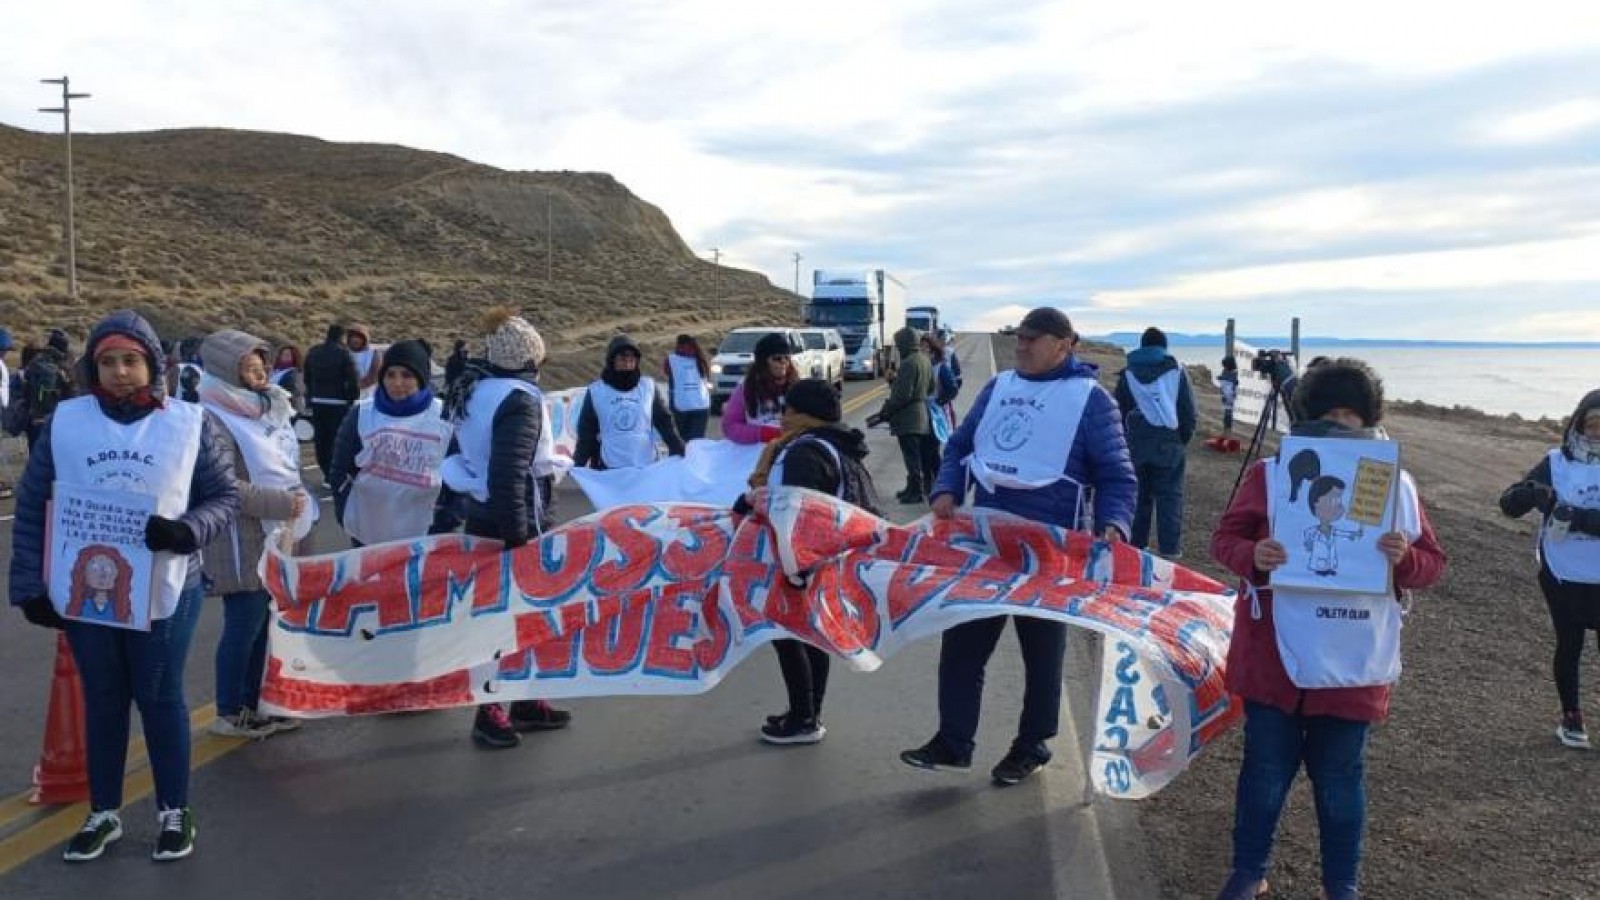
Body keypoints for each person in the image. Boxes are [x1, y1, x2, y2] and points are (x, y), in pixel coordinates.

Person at [1209, 358, 1446, 900]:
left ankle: (1342, 884)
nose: (1340, 424)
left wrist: (1405, 559)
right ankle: (1249, 870)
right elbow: (1224, 539)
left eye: (1351, 414)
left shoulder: (1395, 484)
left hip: (1352, 664)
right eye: (1330, 413)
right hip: (1274, 659)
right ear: (1308, 414)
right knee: (1263, 775)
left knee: (1340, 782)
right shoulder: (1271, 474)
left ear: (1369, 418)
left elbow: (1433, 565)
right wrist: (1253, 555)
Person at [8, 310, 240, 862]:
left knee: (159, 697)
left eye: (130, 360)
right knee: (105, 699)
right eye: (107, 361)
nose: (119, 371)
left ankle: (174, 810)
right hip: (87, 589)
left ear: (152, 364)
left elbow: (225, 496)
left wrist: (187, 530)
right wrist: (29, 585)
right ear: (92, 367)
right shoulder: (67, 421)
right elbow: (33, 503)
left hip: (165, 584)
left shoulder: (191, 422)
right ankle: (104, 811)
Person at [899, 307, 1137, 785]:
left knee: (1042, 656)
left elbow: (1117, 475)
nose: (1021, 345)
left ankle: (1032, 745)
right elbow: (960, 446)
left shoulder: (1092, 401)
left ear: (1064, 344)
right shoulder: (999, 387)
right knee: (963, 644)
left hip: (1050, 551)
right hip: (987, 544)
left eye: (1032, 338)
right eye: (1020, 337)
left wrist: (1114, 522)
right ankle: (953, 742)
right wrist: (948, 487)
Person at [440, 309, 571, 749]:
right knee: (506, 617)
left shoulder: (475, 388)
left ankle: (524, 699)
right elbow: (509, 471)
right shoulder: (519, 399)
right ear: (529, 358)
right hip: (514, 519)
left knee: (515, 616)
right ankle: (490, 708)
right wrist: (519, 535)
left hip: (484, 511)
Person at [735, 378, 880, 745]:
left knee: (788, 636)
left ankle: (803, 718)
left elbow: (799, 512)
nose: (782, 416)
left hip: (803, 560)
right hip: (827, 559)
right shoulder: (832, 444)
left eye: (788, 409)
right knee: (811, 635)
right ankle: (808, 711)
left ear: (803, 413)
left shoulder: (805, 452)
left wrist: (794, 567)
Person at [196, 329, 313, 740]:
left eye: (262, 364)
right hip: (240, 536)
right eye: (248, 367)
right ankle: (231, 710)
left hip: (277, 531)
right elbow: (223, 484)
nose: (260, 373)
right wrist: (282, 502)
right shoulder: (211, 417)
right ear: (227, 370)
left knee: (266, 623)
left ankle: (257, 701)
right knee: (244, 624)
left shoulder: (267, 406)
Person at [1499, 388, 1600, 749]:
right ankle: (1571, 717)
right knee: (1569, 644)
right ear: (1578, 424)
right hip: (1562, 573)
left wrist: (1576, 517)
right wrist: (1528, 494)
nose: (1598, 431)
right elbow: (1509, 504)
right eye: (1592, 423)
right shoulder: (1556, 462)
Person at [329, 339, 453, 546]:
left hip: (423, 533)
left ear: (421, 378)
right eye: (390, 374)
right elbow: (339, 468)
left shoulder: (444, 415)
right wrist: (345, 510)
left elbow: (457, 472)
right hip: (367, 529)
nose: (397, 383)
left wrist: (446, 519)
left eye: (407, 375)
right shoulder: (362, 413)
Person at [1114, 327, 1197, 558]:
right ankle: (1170, 551)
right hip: (1169, 442)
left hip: (1135, 443)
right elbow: (1188, 411)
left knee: (1139, 496)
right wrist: (1182, 439)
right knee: (1170, 497)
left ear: (1142, 345)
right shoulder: (1177, 371)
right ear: (1164, 346)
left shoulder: (1128, 373)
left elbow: (1118, 410)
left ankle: (1136, 547)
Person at [573, 334, 685, 470]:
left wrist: (677, 446)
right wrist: (578, 463)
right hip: (610, 466)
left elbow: (663, 421)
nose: (627, 363)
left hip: (645, 465)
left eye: (632, 358)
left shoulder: (648, 387)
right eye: (622, 358)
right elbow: (587, 432)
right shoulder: (596, 391)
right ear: (612, 361)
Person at [866, 326, 936, 504]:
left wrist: (886, 411)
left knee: (911, 457)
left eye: (898, 344)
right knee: (915, 454)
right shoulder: (925, 360)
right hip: (921, 413)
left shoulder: (908, 364)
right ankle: (912, 487)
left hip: (908, 417)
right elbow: (931, 388)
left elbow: (902, 395)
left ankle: (916, 491)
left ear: (905, 343)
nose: (897, 348)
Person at [303, 324, 360, 480]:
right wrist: (352, 398)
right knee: (337, 439)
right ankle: (336, 474)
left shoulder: (314, 352)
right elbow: (352, 379)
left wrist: (310, 396)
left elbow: (307, 377)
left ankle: (326, 472)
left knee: (321, 440)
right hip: (338, 402)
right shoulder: (344, 354)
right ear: (341, 337)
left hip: (317, 401)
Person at [721, 332, 798, 445]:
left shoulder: (797, 386)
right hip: (756, 448)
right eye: (777, 358)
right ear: (764, 361)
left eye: (787, 358)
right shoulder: (747, 387)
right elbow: (730, 426)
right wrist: (762, 433)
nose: (783, 362)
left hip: (792, 446)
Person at [7, 328, 75, 451]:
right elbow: (71, 394)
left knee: (36, 452)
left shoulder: (36, 362)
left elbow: (24, 385)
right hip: (55, 419)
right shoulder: (61, 365)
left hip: (34, 419)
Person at [663, 333, 713, 442]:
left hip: (680, 404)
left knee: (683, 440)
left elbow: (667, 372)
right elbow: (707, 378)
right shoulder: (702, 358)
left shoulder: (671, 360)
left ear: (678, 344)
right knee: (697, 441)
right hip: (701, 404)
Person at [270, 344, 307, 417]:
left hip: (289, 411)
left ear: (294, 358)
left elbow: (295, 393)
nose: (284, 357)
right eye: (283, 354)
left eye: (288, 355)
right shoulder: (276, 370)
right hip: (273, 407)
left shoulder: (295, 374)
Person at [346, 323, 380, 394]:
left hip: (369, 394)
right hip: (348, 393)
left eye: (358, 337)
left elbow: (373, 376)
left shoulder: (373, 353)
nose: (355, 340)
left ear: (364, 339)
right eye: (353, 337)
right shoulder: (344, 353)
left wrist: (358, 386)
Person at [1219, 355, 1239, 435]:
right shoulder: (1231, 374)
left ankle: (1227, 429)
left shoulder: (1227, 373)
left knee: (1227, 413)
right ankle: (1227, 429)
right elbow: (1230, 385)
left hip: (1227, 395)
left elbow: (1226, 385)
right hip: (1228, 395)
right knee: (1228, 413)